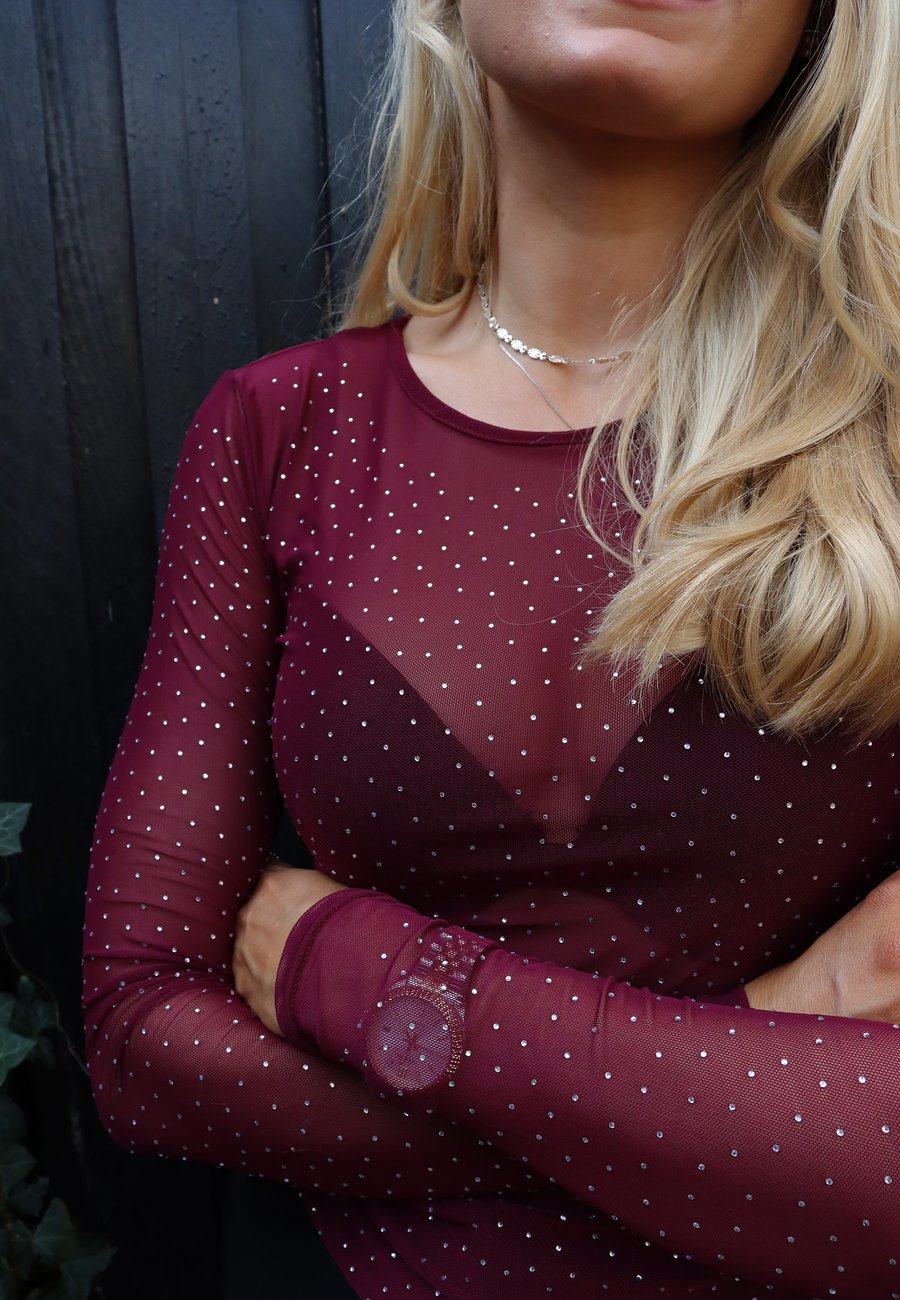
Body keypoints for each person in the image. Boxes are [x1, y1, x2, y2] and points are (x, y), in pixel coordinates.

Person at [82, 0, 900, 1295]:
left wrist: (370, 979)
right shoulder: (278, 431)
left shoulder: (885, 438)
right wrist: (749, 1058)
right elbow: (143, 1042)